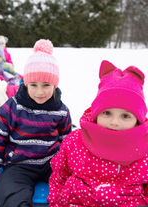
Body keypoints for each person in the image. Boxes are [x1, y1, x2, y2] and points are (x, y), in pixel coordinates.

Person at [0, 39, 72, 207]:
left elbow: (67, 141)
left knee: (74, 188)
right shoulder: (12, 108)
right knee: (8, 191)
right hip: (19, 165)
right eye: (33, 85)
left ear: (55, 84)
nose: (39, 92)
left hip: (51, 163)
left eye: (46, 85)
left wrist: (69, 166)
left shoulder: (61, 111)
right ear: (25, 83)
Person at [47, 60, 148, 206]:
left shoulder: (144, 149)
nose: (115, 122)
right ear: (96, 113)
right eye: (107, 113)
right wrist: (57, 202)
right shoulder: (76, 141)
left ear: (138, 120)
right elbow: (59, 175)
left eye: (125, 116)